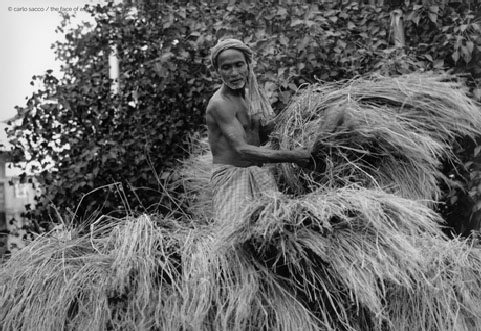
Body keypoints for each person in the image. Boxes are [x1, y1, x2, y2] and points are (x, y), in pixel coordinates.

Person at [206, 38, 311, 224]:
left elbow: (262, 136)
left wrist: (299, 115)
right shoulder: (220, 104)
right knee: (237, 238)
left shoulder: (252, 96)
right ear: (217, 71)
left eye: (239, 65)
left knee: (274, 230)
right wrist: (294, 156)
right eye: (226, 67)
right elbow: (242, 150)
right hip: (231, 177)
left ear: (248, 65)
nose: (234, 73)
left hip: (258, 172)